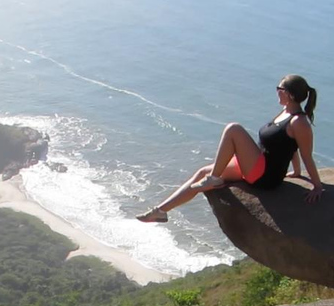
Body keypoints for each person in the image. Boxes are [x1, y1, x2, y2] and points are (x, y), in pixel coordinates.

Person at [136, 74, 323, 223]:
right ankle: (160, 211)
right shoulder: (286, 112)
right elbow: (290, 146)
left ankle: (214, 180)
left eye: (279, 89)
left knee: (233, 129)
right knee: (202, 172)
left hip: (265, 175)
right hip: (257, 163)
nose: (276, 92)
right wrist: (296, 172)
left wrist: (317, 186)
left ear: (289, 94)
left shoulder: (299, 122)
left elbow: (306, 154)